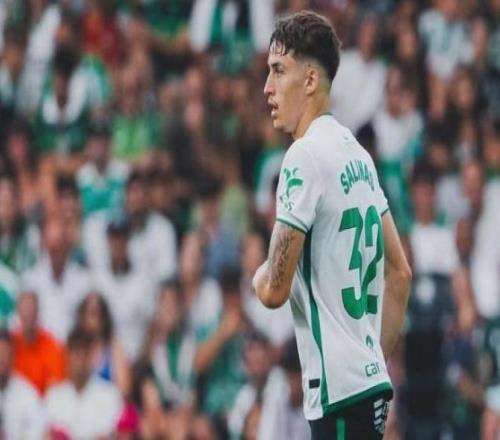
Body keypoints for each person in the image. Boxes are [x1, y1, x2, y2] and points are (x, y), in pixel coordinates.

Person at [252, 11, 412, 440]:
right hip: (369, 385)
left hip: (338, 394)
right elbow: (400, 274)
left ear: (309, 80)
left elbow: (274, 290)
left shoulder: (303, 157)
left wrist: (258, 276)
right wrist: (372, 363)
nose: (267, 87)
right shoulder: (358, 156)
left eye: (278, 70)